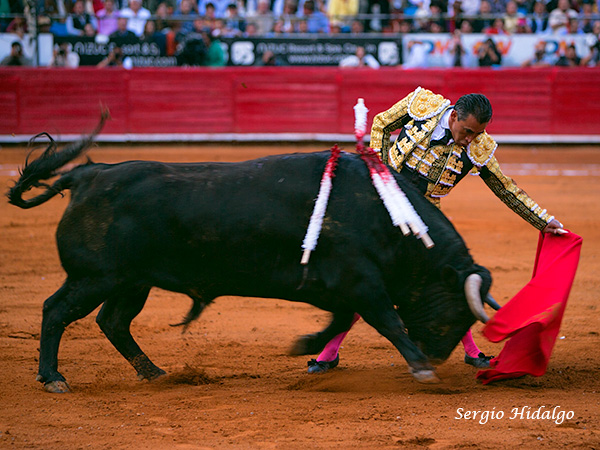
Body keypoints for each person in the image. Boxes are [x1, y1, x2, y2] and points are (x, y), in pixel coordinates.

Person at [306, 87, 564, 374]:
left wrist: (543, 220)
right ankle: (329, 353)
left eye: (476, 134)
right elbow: (381, 123)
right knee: (368, 277)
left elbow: (505, 187)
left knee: (445, 280)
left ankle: (472, 350)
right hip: (385, 206)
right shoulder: (422, 105)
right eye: (467, 131)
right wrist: (380, 173)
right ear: (453, 116)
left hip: (427, 219)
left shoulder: (479, 147)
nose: (470, 139)